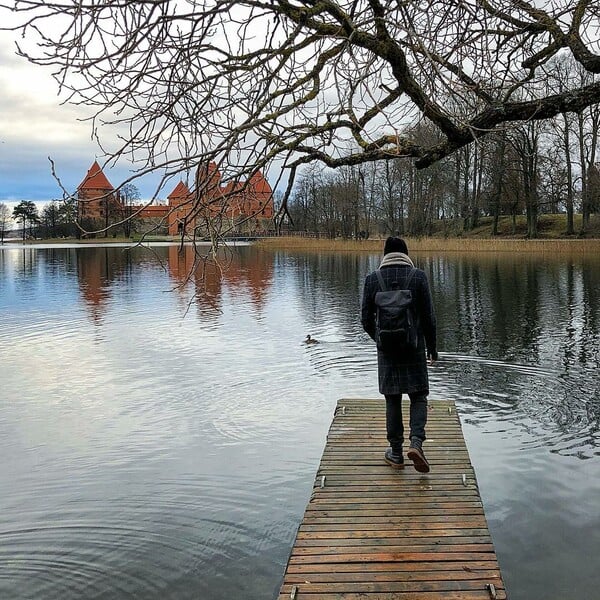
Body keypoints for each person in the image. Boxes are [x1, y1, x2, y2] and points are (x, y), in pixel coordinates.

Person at [361, 237, 438, 473]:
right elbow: (428, 318)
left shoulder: (373, 279)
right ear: (406, 253)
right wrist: (432, 348)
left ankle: (395, 453)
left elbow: (365, 320)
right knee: (418, 396)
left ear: (385, 254)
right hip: (414, 347)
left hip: (387, 352)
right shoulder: (418, 277)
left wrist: (381, 340)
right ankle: (416, 444)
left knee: (392, 398)